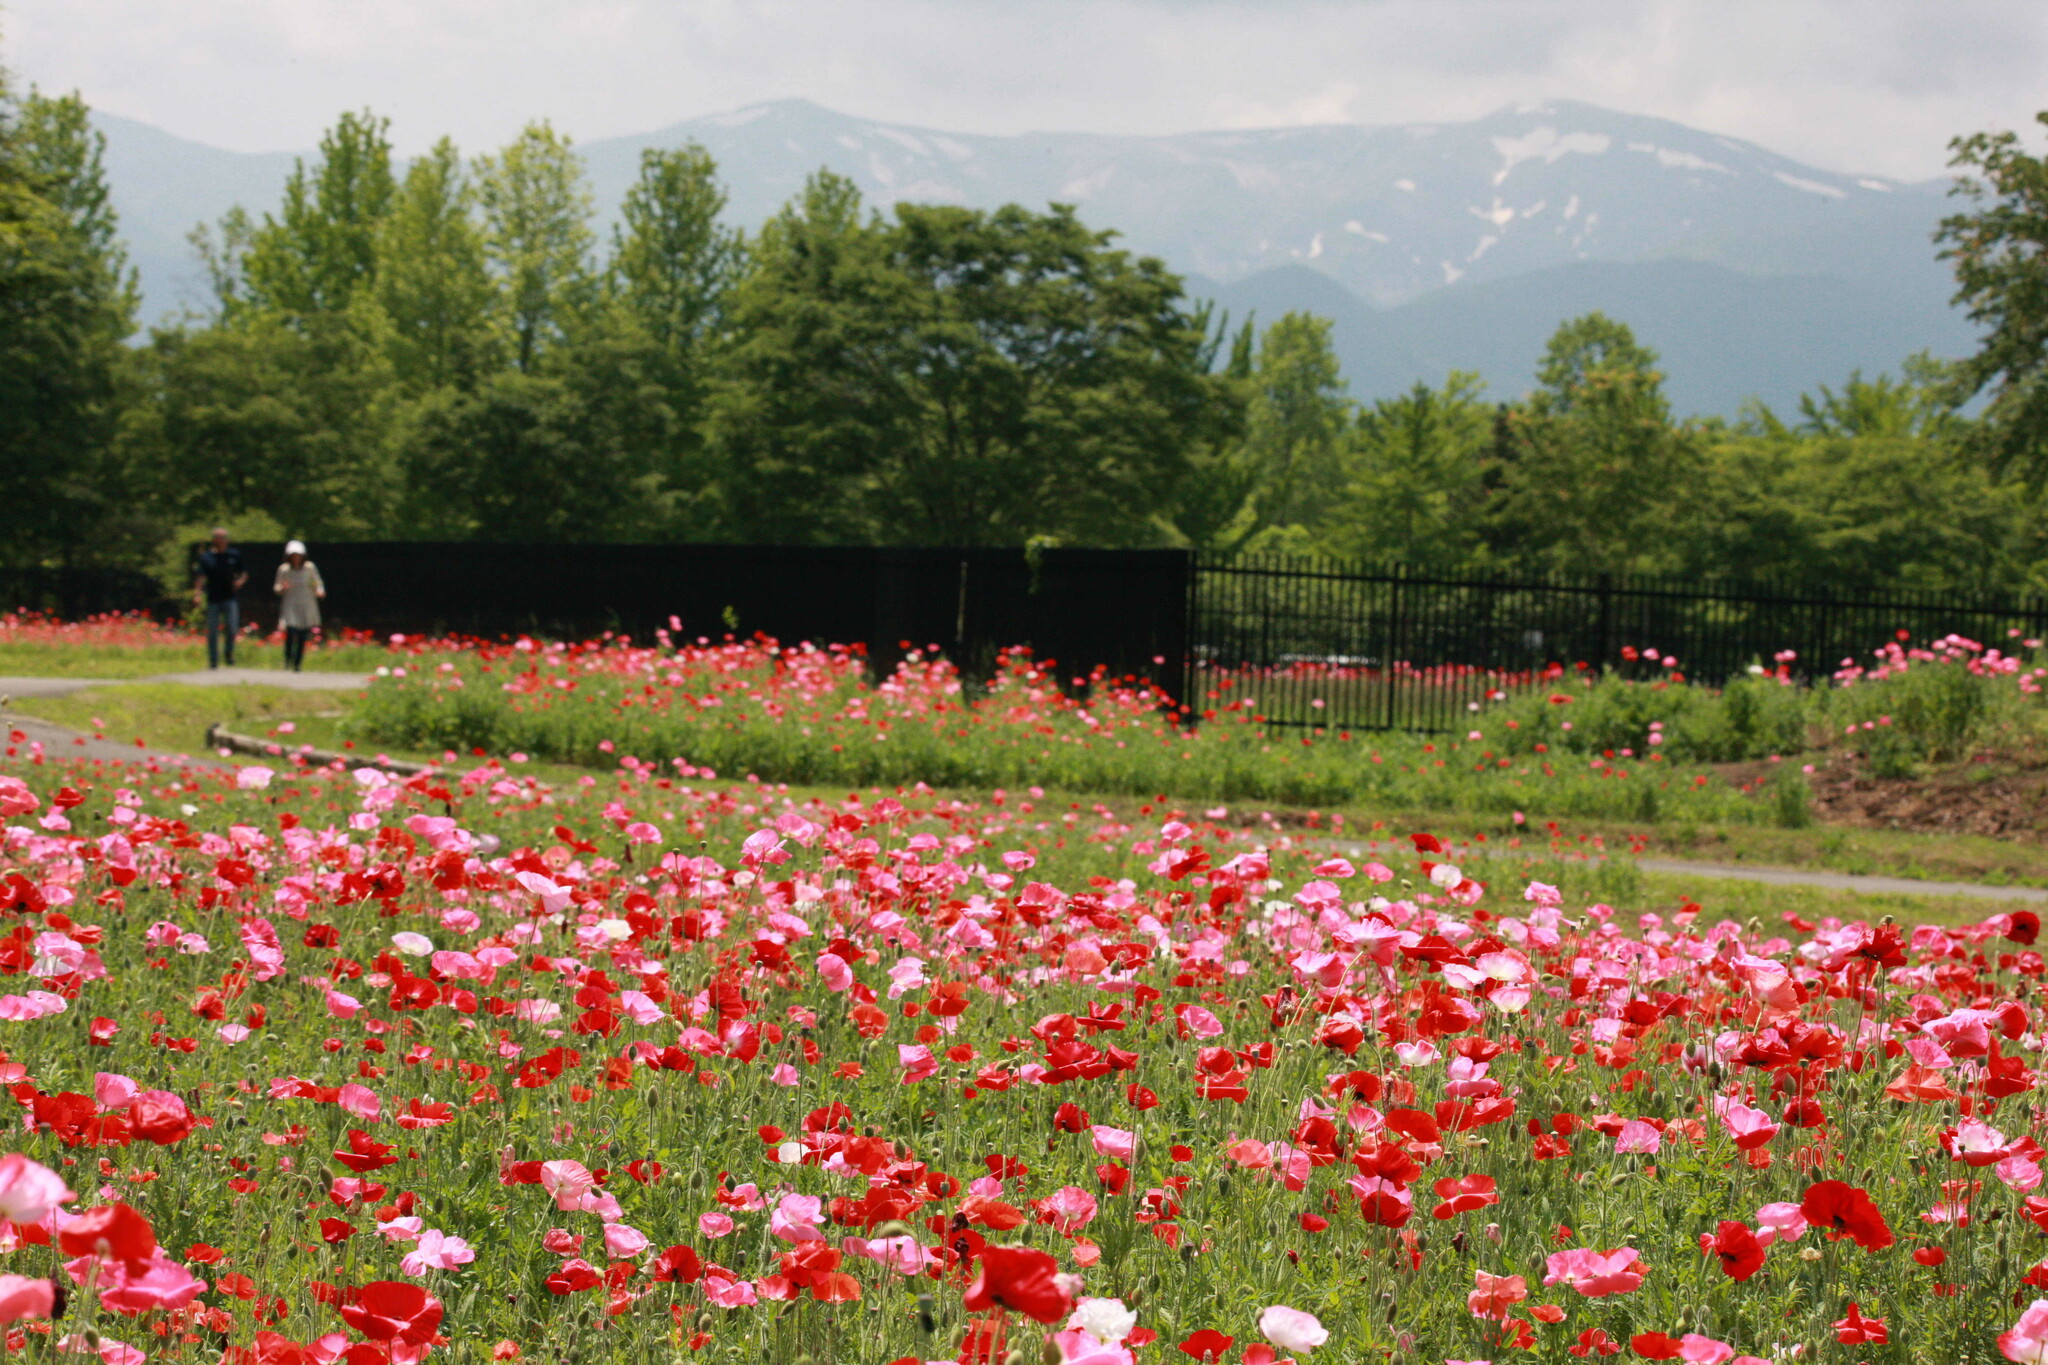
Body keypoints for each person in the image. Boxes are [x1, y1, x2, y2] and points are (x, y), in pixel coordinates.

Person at [192, 528, 247, 669]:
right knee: (212, 631)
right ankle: (213, 661)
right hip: (213, 599)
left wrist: (239, 581)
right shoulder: (206, 557)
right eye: (218, 537)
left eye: (223, 537)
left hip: (230, 597)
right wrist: (197, 594)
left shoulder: (234, 555)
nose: (220, 540)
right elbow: (200, 577)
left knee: (232, 628)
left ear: (227, 540)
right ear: (213, 540)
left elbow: (244, 573)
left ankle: (229, 653)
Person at [273, 540, 326, 672]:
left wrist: (320, 590)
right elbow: (277, 587)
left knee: (302, 634)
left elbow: (317, 582)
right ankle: (287, 660)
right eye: (293, 555)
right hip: (290, 602)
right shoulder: (284, 569)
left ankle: (297, 663)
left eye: (298, 555)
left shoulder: (309, 568)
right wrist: (282, 588)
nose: (296, 557)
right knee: (291, 632)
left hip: (306, 602)